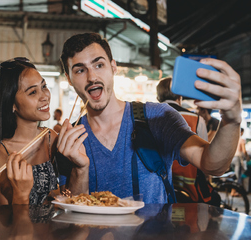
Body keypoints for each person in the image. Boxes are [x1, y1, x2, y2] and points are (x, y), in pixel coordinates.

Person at [57, 33, 242, 204]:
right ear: (69, 78)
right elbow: (73, 211)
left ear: (113, 67)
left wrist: (231, 122)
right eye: (80, 70)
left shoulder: (157, 117)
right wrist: (80, 170)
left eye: (99, 65)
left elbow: (212, 164)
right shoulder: (70, 142)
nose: (92, 77)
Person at [0, 57, 58, 205]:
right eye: (32, 92)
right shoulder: (1, 153)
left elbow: (66, 195)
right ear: (12, 104)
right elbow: (5, 223)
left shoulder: (51, 138)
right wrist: (21, 194)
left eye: (44, 86)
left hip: (53, 227)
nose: (45, 96)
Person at [156, 77, 220, 206]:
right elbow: (205, 154)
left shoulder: (150, 116)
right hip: (190, 187)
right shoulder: (196, 119)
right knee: (215, 201)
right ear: (179, 97)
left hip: (159, 187)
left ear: (158, 97)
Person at [231, 128, 248, 196]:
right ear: (241, 132)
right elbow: (244, 151)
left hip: (232, 158)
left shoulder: (233, 139)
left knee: (234, 175)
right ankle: (234, 192)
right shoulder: (241, 140)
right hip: (238, 158)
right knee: (238, 176)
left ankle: (233, 191)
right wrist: (247, 157)